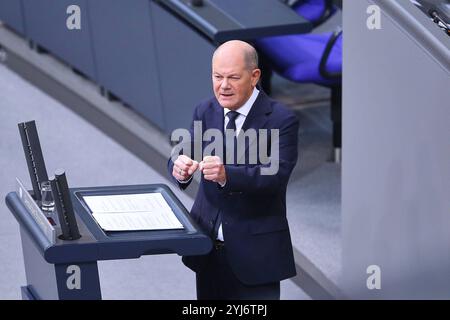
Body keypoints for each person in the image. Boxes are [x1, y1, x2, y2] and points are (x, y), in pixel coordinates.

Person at [168, 40, 299, 300]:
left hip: (255, 252)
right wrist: (179, 165)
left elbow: (275, 175)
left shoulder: (281, 119)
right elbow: (184, 152)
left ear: (254, 76)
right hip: (207, 248)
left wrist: (228, 174)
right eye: (217, 77)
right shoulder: (205, 110)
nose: (223, 86)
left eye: (233, 78)